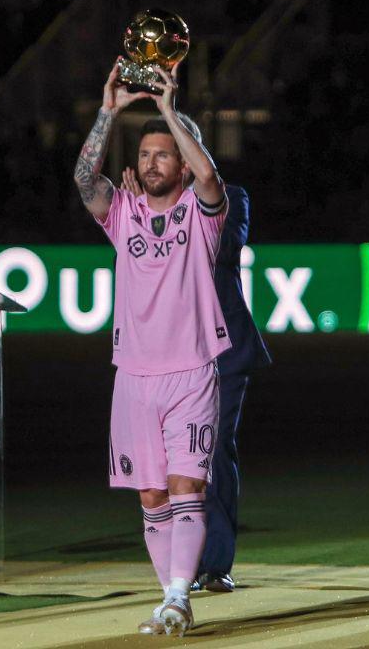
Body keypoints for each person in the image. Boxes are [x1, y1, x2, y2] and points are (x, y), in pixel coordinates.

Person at [73, 58, 229, 636]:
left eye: (163, 154)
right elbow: (86, 182)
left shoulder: (202, 212)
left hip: (191, 372)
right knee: (152, 495)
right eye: (145, 155)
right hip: (133, 377)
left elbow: (210, 178)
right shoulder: (123, 213)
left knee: (190, 487)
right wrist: (109, 113)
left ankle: (178, 596)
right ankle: (170, 597)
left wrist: (167, 107)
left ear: (181, 166)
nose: (151, 163)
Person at [118, 169, 271, 593]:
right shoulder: (145, 206)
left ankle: (215, 564)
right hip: (162, 352)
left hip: (221, 351)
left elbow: (221, 248)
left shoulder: (231, 196)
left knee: (213, 450)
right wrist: (141, 214)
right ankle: (178, 571)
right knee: (164, 462)